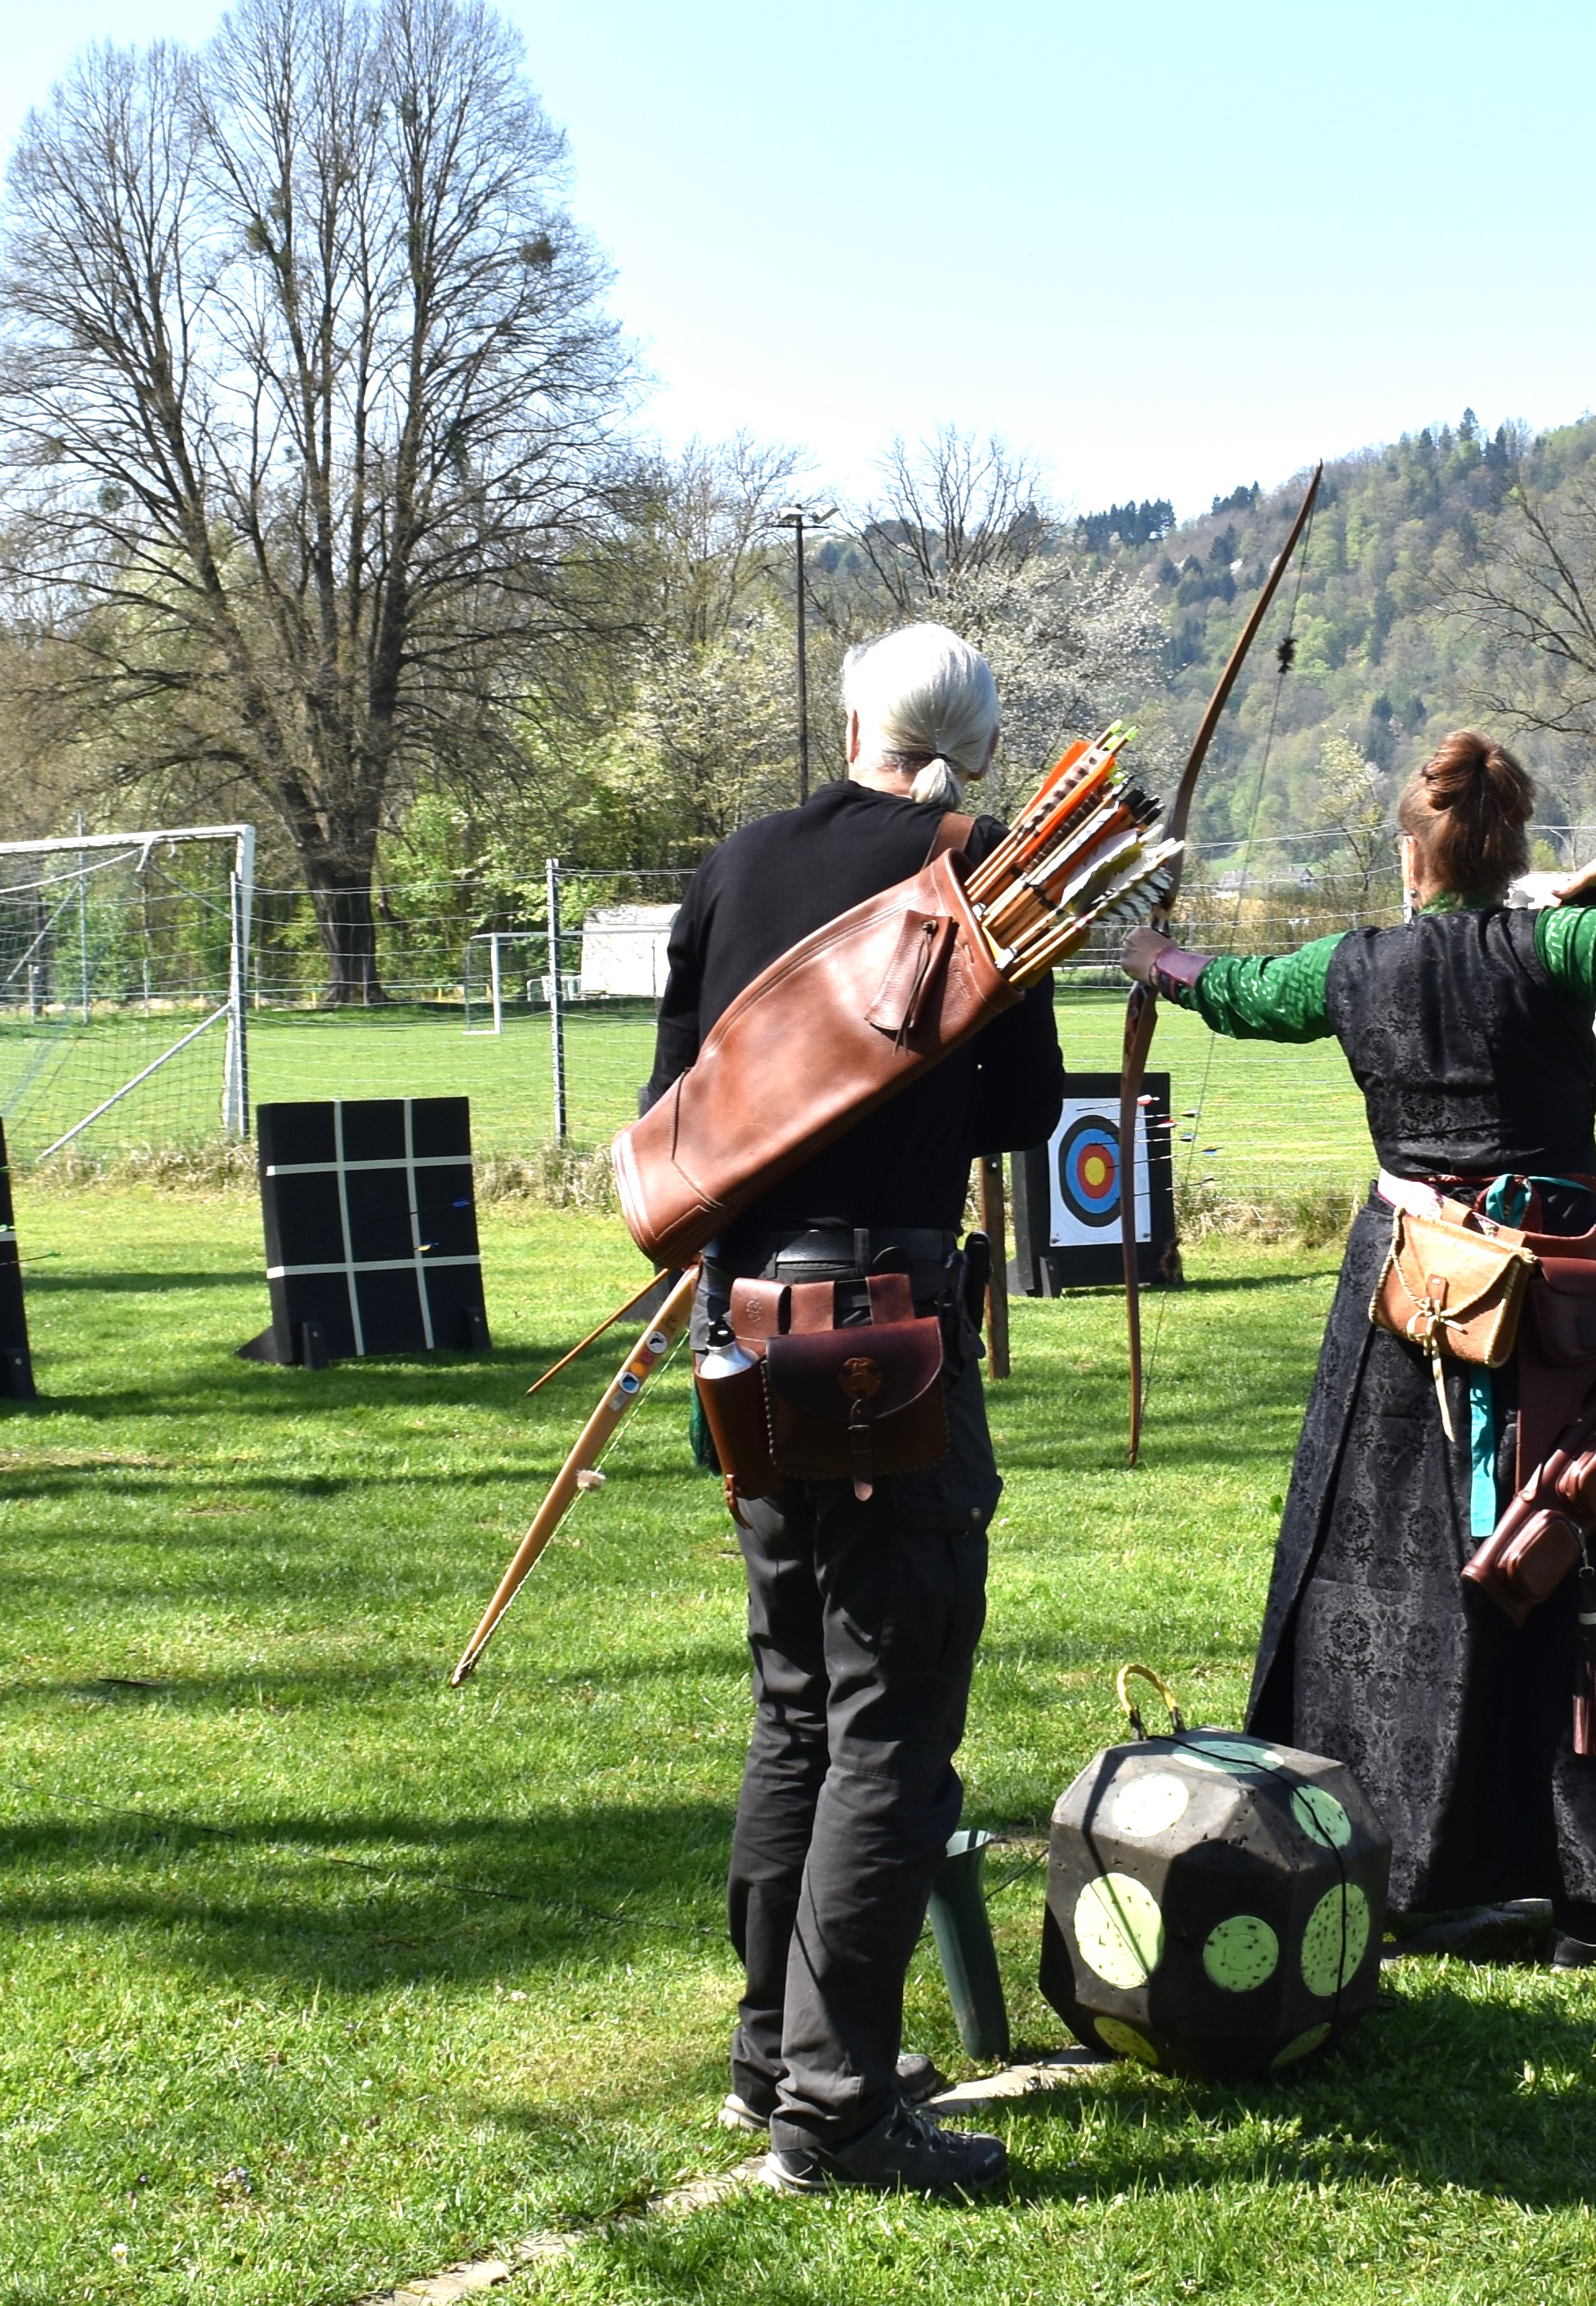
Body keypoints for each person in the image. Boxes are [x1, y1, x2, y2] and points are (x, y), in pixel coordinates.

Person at [1121, 731, 1596, 1965]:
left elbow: (1238, 991)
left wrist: (1154, 957)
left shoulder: (1357, 964)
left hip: (1411, 1304)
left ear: (1413, 857)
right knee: (1569, 1557)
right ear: (1510, 854)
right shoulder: (1557, 943)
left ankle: (1390, 1869)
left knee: (1395, 1579)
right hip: (1558, 1313)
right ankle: (1587, 1893)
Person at [646, 625, 1062, 2199]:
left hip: (747, 1318)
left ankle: (776, 2060)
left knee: (797, 1703)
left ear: (849, 726)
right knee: (888, 1713)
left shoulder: (741, 862)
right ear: (979, 746)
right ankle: (831, 2108)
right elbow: (1026, 1109)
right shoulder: (979, 871)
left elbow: (676, 1103)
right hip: (884, 1325)